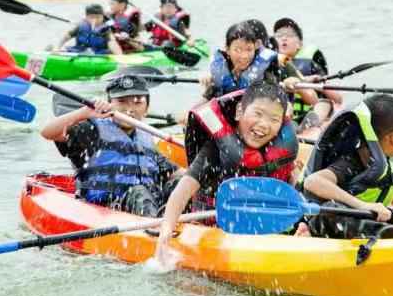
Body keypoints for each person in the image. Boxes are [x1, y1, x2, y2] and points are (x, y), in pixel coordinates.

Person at [154, 82, 298, 263]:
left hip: (258, 226)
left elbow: (289, 192)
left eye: (274, 120)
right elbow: (182, 192)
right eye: (258, 114)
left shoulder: (282, 150)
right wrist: (166, 231)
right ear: (239, 112)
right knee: (171, 188)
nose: (264, 124)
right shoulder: (217, 149)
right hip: (210, 223)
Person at [40, 75, 179, 216]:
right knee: (138, 192)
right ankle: (157, 230)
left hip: (147, 206)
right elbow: (48, 132)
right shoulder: (91, 131)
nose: (129, 109)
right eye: (121, 102)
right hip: (107, 208)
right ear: (109, 105)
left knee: (181, 183)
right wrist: (84, 113)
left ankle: (187, 227)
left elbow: (174, 173)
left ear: (146, 108)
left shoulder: (147, 138)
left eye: (137, 103)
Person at [298, 94, 393, 239]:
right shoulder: (351, 162)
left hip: (367, 220)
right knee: (333, 210)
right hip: (326, 221)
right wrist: (362, 205)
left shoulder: (386, 163)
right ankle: (386, 233)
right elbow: (312, 181)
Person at [273, 18, 342, 127]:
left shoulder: (311, 64)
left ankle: (308, 126)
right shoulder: (269, 64)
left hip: (307, 113)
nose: (284, 38)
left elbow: (338, 99)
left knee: (325, 104)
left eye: (290, 35)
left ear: (299, 44)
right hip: (280, 114)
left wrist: (314, 82)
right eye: (279, 35)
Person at [201, 22, 281, 101]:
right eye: (238, 50)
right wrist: (208, 83)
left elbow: (276, 91)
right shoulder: (219, 71)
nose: (244, 56)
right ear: (227, 49)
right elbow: (206, 98)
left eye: (249, 49)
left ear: (256, 46)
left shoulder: (266, 72)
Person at [51, 4, 121, 55]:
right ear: (87, 17)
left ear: (103, 17)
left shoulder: (106, 29)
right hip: (79, 51)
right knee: (56, 50)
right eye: (92, 17)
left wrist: (120, 57)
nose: (95, 20)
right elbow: (66, 36)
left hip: (99, 54)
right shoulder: (81, 26)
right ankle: (51, 49)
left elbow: (112, 43)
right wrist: (57, 47)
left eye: (98, 17)